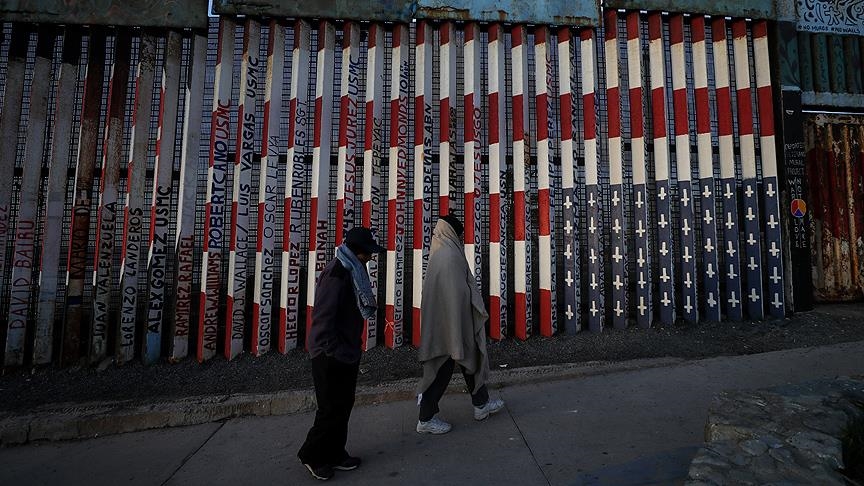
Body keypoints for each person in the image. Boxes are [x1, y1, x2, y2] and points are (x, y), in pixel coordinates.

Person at [298, 226, 385, 480]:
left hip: (346, 350)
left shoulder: (352, 270)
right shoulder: (337, 274)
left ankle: (335, 453)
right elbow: (323, 319)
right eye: (368, 253)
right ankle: (311, 455)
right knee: (330, 408)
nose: (370, 257)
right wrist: (333, 350)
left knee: (344, 405)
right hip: (330, 354)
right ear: (358, 252)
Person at [415, 215, 505, 434]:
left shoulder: (439, 251)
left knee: (470, 361)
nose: (462, 238)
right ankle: (425, 418)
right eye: (460, 234)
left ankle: (481, 405)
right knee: (442, 368)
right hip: (452, 324)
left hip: (450, 322)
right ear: (453, 233)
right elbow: (459, 293)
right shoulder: (449, 255)